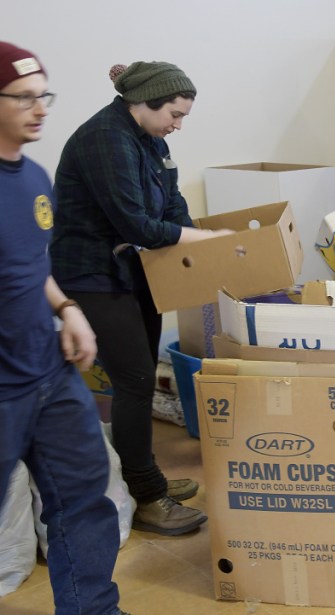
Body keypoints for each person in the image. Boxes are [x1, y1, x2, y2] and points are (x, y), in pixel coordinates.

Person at [49, 61, 227, 536]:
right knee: (133, 379)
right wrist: (201, 241)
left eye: (183, 115)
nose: (178, 124)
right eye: (174, 113)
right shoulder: (104, 138)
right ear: (141, 103)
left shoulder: (153, 141)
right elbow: (135, 223)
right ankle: (147, 497)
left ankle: (142, 475)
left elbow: (170, 206)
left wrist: (197, 235)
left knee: (141, 377)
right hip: (91, 273)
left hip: (131, 268)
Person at [0, 41, 129, 615]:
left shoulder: (33, 178)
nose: (40, 108)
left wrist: (66, 309)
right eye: (23, 98)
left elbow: (31, 265)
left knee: (82, 498)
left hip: (50, 375)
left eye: (42, 95)